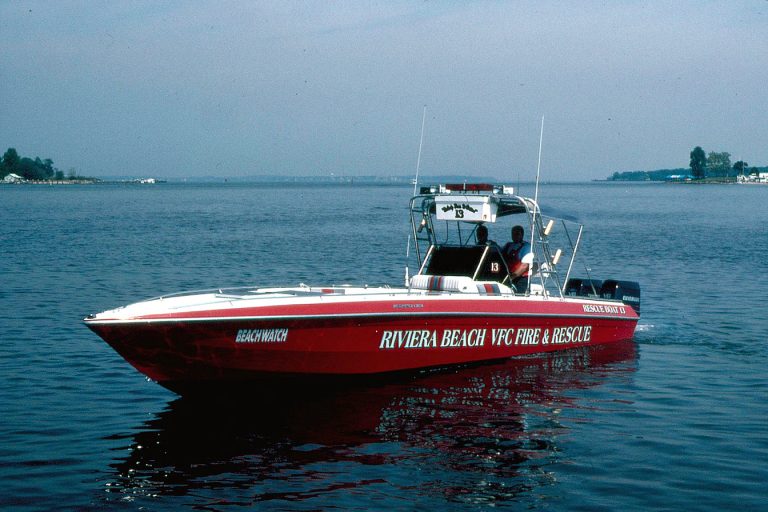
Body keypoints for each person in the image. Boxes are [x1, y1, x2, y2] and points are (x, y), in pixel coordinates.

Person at [502, 225, 533, 290]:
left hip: (520, 280)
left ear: (522, 235)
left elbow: (524, 266)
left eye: (517, 234)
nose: (515, 236)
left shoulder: (526, 247)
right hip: (507, 276)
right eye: (513, 234)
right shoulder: (508, 245)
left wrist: (512, 277)